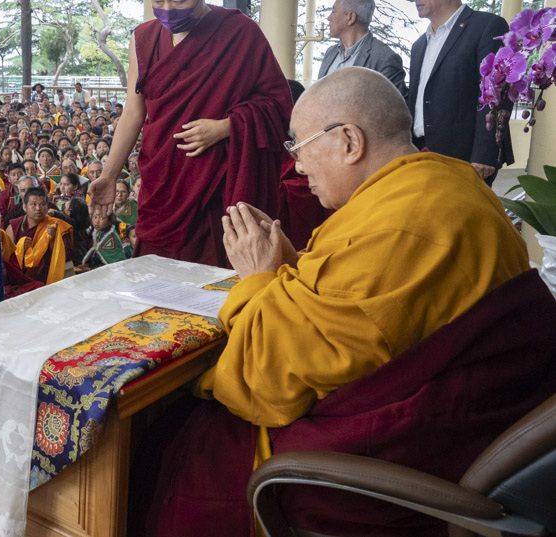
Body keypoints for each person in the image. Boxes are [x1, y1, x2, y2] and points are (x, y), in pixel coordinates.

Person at [133, 68, 551, 536]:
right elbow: (348, 307)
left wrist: (259, 279)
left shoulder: (400, 225)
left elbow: (263, 387)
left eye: (298, 145)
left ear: (349, 141)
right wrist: (291, 270)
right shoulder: (445, 185)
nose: (296, 165)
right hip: (457, 431)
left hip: (384, 467)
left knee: (177, 444)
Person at [88, 0, 292, 268]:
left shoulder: (240, 32)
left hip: (217, 182)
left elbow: (278, 104)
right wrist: (109, 175)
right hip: (162, 180)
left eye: (180, 0)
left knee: (215, 278)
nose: (169, 10)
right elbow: (133, 113)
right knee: (157, 274)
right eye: (159, 1)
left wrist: (226, 126)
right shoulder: (143, 38)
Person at [408, 0, 510, 186]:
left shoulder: (488, 26)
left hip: (465, 159)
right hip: (420, 153)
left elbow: (497, 92)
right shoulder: (418, 46)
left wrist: (484, 153)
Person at [318, 0, 406, 95]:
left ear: (350, 17)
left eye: (333, 11)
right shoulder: (330, 52)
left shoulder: (385, 59)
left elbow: (392, 107)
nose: (328, 18)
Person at [5, 186, 73, 284]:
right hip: (18, 281)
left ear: (47, 206)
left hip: (46, 281)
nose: (38, 208)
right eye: (33, 204)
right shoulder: (13, 227)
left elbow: (66, 258)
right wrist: (19, 248)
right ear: (25, 207)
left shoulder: (57, 225)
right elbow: (7, 258)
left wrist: (54, 239)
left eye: (42, 204)